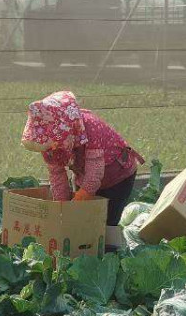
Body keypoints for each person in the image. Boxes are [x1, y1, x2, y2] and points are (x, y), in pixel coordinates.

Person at [20, 91, 144, 230]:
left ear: (64, 130)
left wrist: (80, 199)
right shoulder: (49, 145)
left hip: (117, 175)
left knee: (107, 223)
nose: (50, 150)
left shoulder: (91, 127)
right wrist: (62, 207)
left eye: (52, 144)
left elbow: (95, 172)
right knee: (82, 224)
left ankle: (111, 248)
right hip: (83, 175)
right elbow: (57, 176)